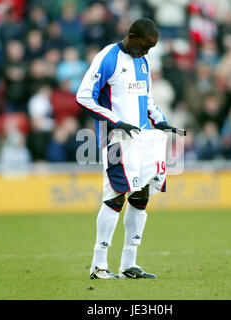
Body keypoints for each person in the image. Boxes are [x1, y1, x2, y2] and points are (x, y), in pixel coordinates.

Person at [76, 18, 186, 280]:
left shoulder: (144, 61)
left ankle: (129, 264)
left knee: (141, 196)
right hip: (117, 140)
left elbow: (147, 98)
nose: (147, 51)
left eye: (152, 47)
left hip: (145, 139)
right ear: (132, 36)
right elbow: (83, 96)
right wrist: (115, 121)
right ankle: (98, 265)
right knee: (116, 196)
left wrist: (160, 120)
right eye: (146, 46)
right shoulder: (107, 58)